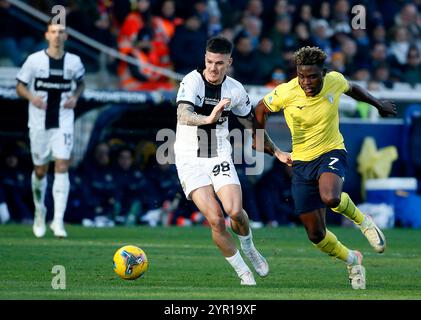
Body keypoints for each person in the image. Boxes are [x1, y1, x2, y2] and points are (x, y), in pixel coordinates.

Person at [253, 46, 397, 289]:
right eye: (302, 76)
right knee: (316, 235)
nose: (307, 82)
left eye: (312, 76)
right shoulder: (286, 92)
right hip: (301, 161)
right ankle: (353, 259)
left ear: (324, 73)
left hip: (331, 151)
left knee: (330, 197)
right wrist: (264, 143)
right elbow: (259, 109)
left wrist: (378, 104)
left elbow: (354, 89)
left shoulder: (335, 81)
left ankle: (364, 222)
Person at [173, 36, 268, 285]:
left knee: (234, 211)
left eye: (219, 63)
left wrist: (276, 151)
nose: (213, 68)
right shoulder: (191, 81)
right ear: (205, 59)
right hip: (189, 158)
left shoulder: (235, 89)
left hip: (218, 153)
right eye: (209, 62)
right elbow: (183, 114)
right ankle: (243, 272)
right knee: (215, 219)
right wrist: (207, 119)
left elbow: (251, 123)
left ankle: (249, 248)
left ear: (229, 62)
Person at [16, 19, 85, 238]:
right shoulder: (34, 61)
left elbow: (81, 83)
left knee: (62, 165)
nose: (57, 35)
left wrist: (75, 96)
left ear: (66, 36)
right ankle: (39, 211)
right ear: (47, 35)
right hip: (38, 122)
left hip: (63, 121)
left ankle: (57, 221)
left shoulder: (74, 62)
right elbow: (19, 85)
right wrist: (31, 97)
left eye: (61, 32)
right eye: (53, 31)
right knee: (40, 170)